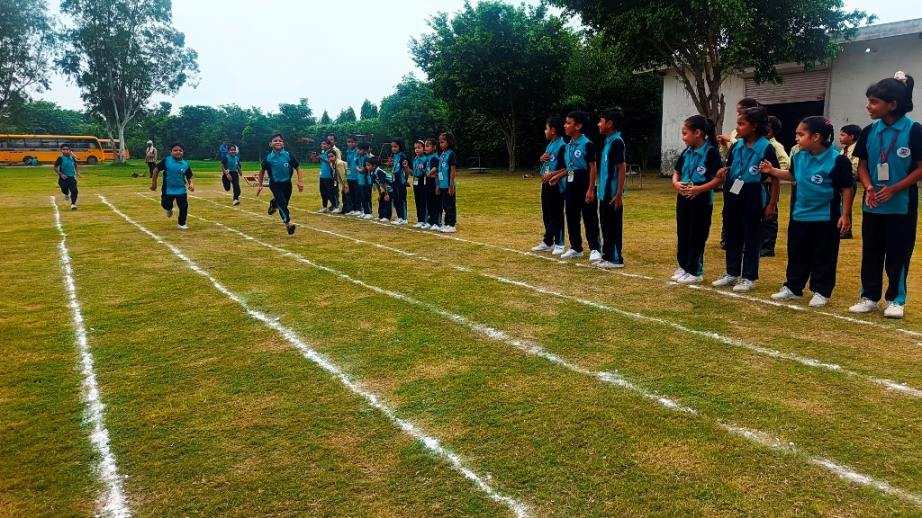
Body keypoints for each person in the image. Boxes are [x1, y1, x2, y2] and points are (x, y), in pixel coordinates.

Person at [849, 72, 922, 318]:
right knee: (871, 251)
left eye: (874, 102)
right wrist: (869, 187)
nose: (868, 106)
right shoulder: (869, 131)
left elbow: (921, 168)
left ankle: (895, 300)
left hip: (901, 204)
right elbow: (862, 165)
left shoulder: (914, 131)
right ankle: (869, 297)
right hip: (872, 204)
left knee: (898, 253)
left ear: (892, 105)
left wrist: (895, 188)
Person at [761, 116, 854, 307]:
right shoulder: (798, 156)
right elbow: (792, 175)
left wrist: (845, 215)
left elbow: (846, 188)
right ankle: (793, 288)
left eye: (800, 134)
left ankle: (821, 291)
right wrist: (772, 170)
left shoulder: (838, 161)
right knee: (797, 252)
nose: (796, 138)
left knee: (824, 255)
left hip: (825, 217)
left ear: (816, 137)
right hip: (799, 215)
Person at [712, 106, 781, 292]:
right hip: (734, 190)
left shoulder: (766, 148)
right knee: (732, 233)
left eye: (741, 124)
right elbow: (732, 167)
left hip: (753, 192)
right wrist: (724, 171)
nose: (737, 128)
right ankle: (731, 273)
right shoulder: (737, 146)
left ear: (754, 126)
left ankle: (749, 277)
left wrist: (772, 204)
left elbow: (775, 177)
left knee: (751, 236)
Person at [671, 115, 724, 284]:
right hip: (684, 196)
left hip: (701, 198)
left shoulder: (711, 152)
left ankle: (695, 271)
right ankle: (684, 266)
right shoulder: (687, 152)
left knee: (697, 234)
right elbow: (677, 172)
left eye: (685, 133)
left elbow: (719, 178)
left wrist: (699, 190)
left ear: (697, 133)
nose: (683, 137)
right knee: (683, 232)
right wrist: (676, 184)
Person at [560, 111, 600, 261]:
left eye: (568, 123)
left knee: (589, 215)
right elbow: (570, 167)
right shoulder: (568, 146)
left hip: (584, 179)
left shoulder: (587, 144)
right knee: (571, 214)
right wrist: (557, 176)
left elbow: (593, 167)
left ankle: (595, 248)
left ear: (578, 126)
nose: (565, 126)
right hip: (571, 181)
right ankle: (575, 247)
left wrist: (591, 189)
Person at [596, 108, 628, 269]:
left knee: (613, 226)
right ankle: (607, 255)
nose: (598, 124)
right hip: (604, 193)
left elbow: (622, 168)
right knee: (605, 225)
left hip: (612, 194)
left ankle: (615, 258)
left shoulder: (617, 142)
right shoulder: (608, 142)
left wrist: (619, 194)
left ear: (609, 124)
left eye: (601, 121)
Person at [532, 117, 568, 255]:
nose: (545, 131)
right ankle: (548, 242)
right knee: (547, 213)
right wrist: (541, 159)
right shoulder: (550, 145)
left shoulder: (562, 146)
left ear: (553, 130)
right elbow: (548, 162)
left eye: (546, 128)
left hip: (556, 184)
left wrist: (552, 175)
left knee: (556, 214)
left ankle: (559, 243)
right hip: (546, 183)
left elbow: (567, 168)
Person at [256, 133, 303, 235]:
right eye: (275, 140)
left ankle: (273, 204)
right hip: (275, 184)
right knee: (282, 204)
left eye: (280, 141)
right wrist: (260, 185)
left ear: (283, 144)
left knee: (283, 203)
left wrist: (300, 182)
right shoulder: (269, 158)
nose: (278, 142)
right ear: (270, 144)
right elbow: (262, 171)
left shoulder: (288, 156)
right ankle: (288, 225)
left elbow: (298, 168)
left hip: (287, 184)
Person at [761, 116, 791, 257]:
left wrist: (774, 173)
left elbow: (785, 162)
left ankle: (768, 246)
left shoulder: (774, 146)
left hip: (771, 185)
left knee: (770, 215)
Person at [150, 142, 195, 230]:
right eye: (175, 150)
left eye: (180, 150)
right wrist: (154, 184)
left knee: (183, 207)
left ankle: (181, 223)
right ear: (170, 152)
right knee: (166, 205)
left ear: (183, 152)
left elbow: (189, 176)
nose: (178, 152)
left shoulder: (185, 164)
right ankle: (169, 209)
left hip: (181, 188)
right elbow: (156, 170)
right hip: (168, 188)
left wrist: (191, 184)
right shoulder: (166, 161)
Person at [838, 124, 862, 239]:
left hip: (850, 179)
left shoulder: (857, 149)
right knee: (841, 205)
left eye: (843, 135)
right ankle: (842, 228)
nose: (839, 137)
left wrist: (844, 168)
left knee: (846, 205)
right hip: (841, 179)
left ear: (851, 137)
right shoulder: (844, 149)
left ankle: (846, 231)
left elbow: (856, 166)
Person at [436, 132, 458, 233]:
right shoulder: (442, 154)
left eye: (443, 142)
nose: (440, 144)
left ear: (449, 142)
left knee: (450, 205)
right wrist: (438, 185)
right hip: (442, 184)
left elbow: (452, 171)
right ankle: (446, 223)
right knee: (445, 204)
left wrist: (451, 186)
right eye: (439, 142)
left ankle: (452, 224)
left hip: (448, 184)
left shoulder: (451, 154)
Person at [390, 138, 412, 225]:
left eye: (395, 146)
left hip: (401, 179)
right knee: (396, 198)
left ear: (400, 146)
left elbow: (406, 170)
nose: (393, 148)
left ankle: (404, 218)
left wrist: (406, 180)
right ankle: (399, 216)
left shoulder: (402, 156)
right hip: (394, 178)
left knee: (401, 198)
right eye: (392, 147)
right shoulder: (395, 156)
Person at [54, 144, 82, 210]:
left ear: (69, 150)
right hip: (63, 178)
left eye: (67, 149)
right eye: (64, 149)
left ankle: (73, 204)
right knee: (64, 189)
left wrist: (77, 172)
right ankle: (66, 194)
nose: (65, 151)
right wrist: (61, 174)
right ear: (61, 150)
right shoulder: (60, 158)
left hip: (71, 177)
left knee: (74, 190)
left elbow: (76, 164)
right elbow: (55, 167)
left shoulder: (72, 157)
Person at [315, 140, 339, 213]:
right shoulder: (322, 153)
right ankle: (324, 206)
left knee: (331, 192)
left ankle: (336, 206)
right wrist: (314, 158)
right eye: (321, 144)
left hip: (329, 176)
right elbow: (316, 162)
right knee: (323, 192)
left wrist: (321, 158)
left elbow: (331, 162)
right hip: (323, 175)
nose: (322, 145)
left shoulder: (330, 153)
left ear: (329, 145)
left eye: (324, 144)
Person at [411, 140, 430, 228]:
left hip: (423, 180)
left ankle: (424, 220)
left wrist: (422, 170)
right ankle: (420, 220)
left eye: (419, 148)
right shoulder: (415, 159)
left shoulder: (426, 159)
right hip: (415, 180)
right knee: (417, 200)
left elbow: (427, 172)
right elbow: (413, 172)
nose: (417, 150)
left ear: (424, 149)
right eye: (415, 148)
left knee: (423, 200)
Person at [424, 138, 443, 230]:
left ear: (434, 147)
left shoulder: (435, 157)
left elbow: (434, 169)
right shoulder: (429, 157)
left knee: (436, 202)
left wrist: (428, 174)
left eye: (427, 146)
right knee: (430, 201)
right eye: (425, 146)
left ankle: (437, 222)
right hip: (428, 181)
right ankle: (430, 221)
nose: (425, 148)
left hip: (434, 182)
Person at [368, 157, 394, 221]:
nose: (366, 167)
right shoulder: (372, 173)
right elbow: (377, 184)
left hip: (392, 188)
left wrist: (386, 194)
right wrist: (379, 194)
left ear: (374, 166)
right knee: (381, 199)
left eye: (368, 165)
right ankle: (381, 215)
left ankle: (387, 216)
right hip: (386, 190)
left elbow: (384, 183)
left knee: (387, 200)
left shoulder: (379, 171)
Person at [355, 141, 374, 220]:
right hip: (361, 180)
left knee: (367, 197)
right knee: (362, 196)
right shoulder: (359, 157)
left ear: (365, 150)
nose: (358, 151)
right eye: (358, 149)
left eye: (360, 149)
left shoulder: (367, 158)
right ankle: (364, 211)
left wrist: (357, 168)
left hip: (366, 180)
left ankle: (369, 212)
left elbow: (362, 170)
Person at [329, 150, 348, 215]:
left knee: (348, 194)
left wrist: (345, 186)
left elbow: (343, 175)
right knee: (344, 194)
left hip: (349, 179)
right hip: (342, 181)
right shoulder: (332, 164)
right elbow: (336, 175)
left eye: (332, 156)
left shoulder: (339, 163)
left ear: (336, 156)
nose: (330, 158)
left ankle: (349, 209)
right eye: (329, 157)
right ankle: (344, 209)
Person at [344, 136, 359, 215]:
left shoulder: (358, 151)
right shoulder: (347, 152)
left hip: (357, 175)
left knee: (357, 193)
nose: (350, 143)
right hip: (349, 175)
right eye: (348, 142)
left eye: (352, 142)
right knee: (351, 193)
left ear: (356, 143)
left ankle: (358, 209)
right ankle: (352, 208)